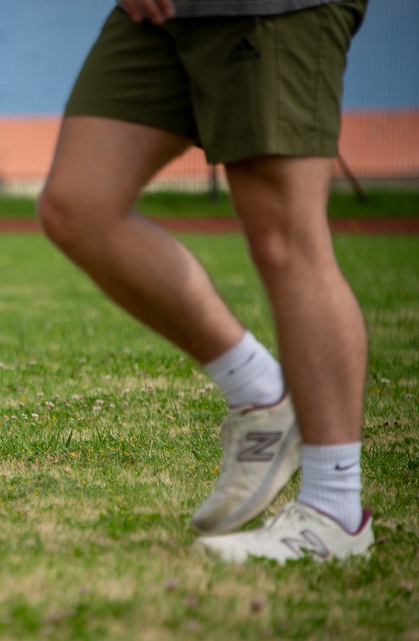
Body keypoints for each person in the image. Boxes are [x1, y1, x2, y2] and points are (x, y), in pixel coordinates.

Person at [37, 0, 373, 563]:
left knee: (283, 235)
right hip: (158, 14)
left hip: (271, 8)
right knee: (77, 204)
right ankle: (264, 397)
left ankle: (334, 513)